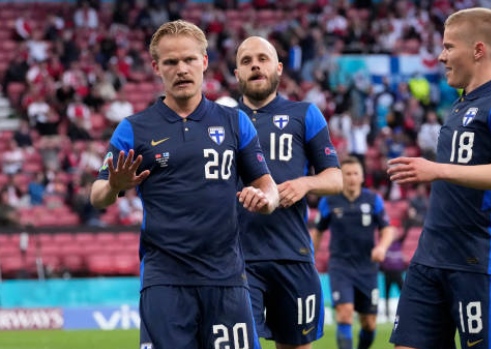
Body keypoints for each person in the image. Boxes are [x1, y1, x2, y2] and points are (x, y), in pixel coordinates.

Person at [90, 20, 279, 349]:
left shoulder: (235, 122)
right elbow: (97, 196)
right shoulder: (134, 129)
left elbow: (268, 186)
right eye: (171, 62)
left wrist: (266, 200)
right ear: (156, 68)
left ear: (204, 62)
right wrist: (114, 186)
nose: (181, 69)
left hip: (227, 278)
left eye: (189, 59)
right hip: (165, 280)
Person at [386, 8, 491, 349]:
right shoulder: (460, 104)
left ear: (478, 50)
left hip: (476, 261)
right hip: (429, 257)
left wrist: (436, 169)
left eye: (449, 47)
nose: (441, 56)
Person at [235, 36, 342, 349]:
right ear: (236, 73)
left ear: (278, 68)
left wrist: (306, 183)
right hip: (237, 259)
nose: (255, 64)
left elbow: (335, 178)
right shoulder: (223, 120)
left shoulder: (305, 114)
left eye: (263, 58)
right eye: (246, 61)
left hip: (291, 254)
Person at [310, 156, 394, 349]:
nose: (351, 177)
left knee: (369, 323)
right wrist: (309, 258)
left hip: (367, 268)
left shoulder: (373, 200)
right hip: (340, 267)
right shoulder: (329, 201)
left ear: (362, 177)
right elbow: (318, 232)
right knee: (344, 312)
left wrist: (381, 247)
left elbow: (388, 229)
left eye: (355, 173)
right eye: (347, 173)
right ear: (341, 176)